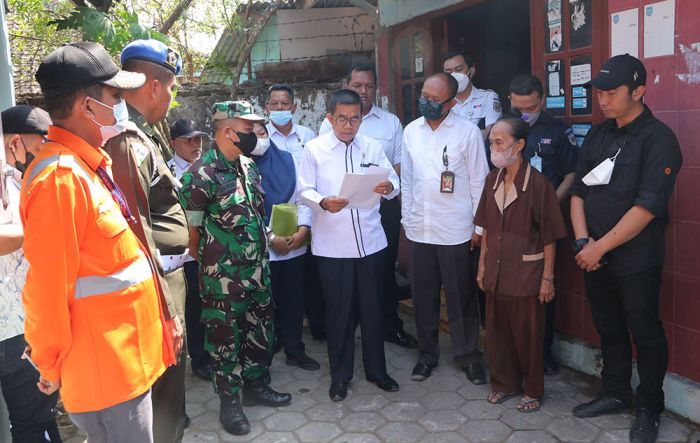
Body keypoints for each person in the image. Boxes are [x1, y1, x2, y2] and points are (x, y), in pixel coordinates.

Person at [23, 41, 175, 442]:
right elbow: (46, 289)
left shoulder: (85, 168)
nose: (123, 105)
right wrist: (49, 364)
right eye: (115, 96)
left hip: (123, 364)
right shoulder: (60, 180)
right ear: (87, 107)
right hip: (106, 377)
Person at [569, 54, 682, 443]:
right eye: (599, 92)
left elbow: (647, 207)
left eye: (612, 92)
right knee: (609, 327)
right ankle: (615, 392)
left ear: (638, 90)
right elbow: (579, 192)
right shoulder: (599, 135)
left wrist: (598, 248)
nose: (603, 100)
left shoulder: (659, 139)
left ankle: (649, 407)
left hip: (636, 259)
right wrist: (584, 242)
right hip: (594, 257)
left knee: (645, 332)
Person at [179, 101, 291, 436]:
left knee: (260, 333)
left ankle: (255, 385)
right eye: (249, 128)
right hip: (223, 282)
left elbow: (256, 215)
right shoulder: (200, 176)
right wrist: (217, 271)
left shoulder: (249, 167)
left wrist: (268, 239)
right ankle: (230, 403)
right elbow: (192, 236)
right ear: (229, 131)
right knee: (225, 342)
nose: (255, 134)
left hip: (259, 273)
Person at [102, 39, 189, 443]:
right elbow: (135, 234)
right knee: (163, 408)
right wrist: (168, 313)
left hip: (164, 289)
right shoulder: (124, 142)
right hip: (156, 297)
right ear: (154, 86)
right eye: (171, 88)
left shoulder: (143, 133)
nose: (171, 99)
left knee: (170, 404)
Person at [299, 89, 400, 402]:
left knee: (373, 310)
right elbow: (303, 192)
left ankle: (377, 371)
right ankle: (340, 377)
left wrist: (388, 187)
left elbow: (394, 184)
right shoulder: (314, 149)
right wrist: (324, 202)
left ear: (361, 119)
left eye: (354, 119)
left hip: (371, 244)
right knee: (339, 314)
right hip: (333, 248)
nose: (348, 125)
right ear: (329, 118)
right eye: (341, 119)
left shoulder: (371, 145)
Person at [319, 64, 417, 349]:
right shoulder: (331, 122)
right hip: (343, 207)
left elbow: (397, 165)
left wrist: (389, 191)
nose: (363, 91)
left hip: (379, 206)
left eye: (368, 86)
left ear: (376, 88)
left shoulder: (390, 122)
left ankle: (388, 325)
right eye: (357, 85)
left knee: (382, 269)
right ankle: (347, 330)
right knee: (348, 272)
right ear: (347, 86)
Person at [401, 72, 489, 385]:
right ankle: (427, 356)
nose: (426, 101)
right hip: (420, 229)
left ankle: (468, 356)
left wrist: (480, 225)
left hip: (456, 229)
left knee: (460, 296)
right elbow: (407, 180)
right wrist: (406, 219)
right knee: (422, 296)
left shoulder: (467, 133)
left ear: (451, 103)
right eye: (424, 94)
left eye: (435, 99)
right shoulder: (411, 131)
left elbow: (480, 180)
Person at [475, 116, 567, 413]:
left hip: (527, 273)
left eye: (499, 142)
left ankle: (532, 389)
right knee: (498, 332)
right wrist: (482, 266)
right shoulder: (492, 180)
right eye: (491, 142)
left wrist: (548, 278)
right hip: (497, 272)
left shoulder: (538, 184)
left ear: (520, 145)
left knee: (528, 335)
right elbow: (487, 227)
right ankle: (504, 384)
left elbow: (550, 236)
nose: (494, 148)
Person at [509, 74, 580, 374]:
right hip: (510, 222)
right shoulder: (504, 128)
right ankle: (512, 349)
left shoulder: (558, 130)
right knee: (511, 286)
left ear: (541, 99)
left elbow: (572, 174)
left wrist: (550, 205)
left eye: (532, 107)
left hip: (545, 223)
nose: (526, 113)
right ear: (510, 101)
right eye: (519, 107)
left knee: (544, 287)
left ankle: (543, 349)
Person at [0, 105, 62, 443]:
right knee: (33, 419)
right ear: (13, 143)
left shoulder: (16, 179)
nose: (40, 157)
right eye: (37, 148)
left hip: (20, 322)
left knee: (37, 415)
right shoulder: (4, 179)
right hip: (13, 329)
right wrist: (40, 225)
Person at [251, 122, 319, 371]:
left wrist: (303, 230)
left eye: (262, 134)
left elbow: (304, 196)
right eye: (253, 135)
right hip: (259, 247)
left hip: (292, 244)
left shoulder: (288, 160)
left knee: (292, 300)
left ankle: (294, 350)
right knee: (263, 304)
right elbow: (245, 209)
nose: (259, 139)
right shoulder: (241, 167)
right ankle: (262, 356)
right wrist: (270, 237)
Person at [265, 83, 326, 343]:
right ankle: (279, 336)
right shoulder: (261, 140)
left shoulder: (308, 136)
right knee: (276, 284)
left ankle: (316, 330)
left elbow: (316, 180)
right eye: (275, 104)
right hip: (271, 218)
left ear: (295, 106)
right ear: (267, 108)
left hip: (306, 216)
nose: (280, 108)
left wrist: (305, 227)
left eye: (285, 104)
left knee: (307, 281)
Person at [167, 118, 213, 381]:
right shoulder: (167, 172)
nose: (196, 145)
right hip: (184, 250)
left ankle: (215, 352)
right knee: (193, 304)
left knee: (211, 300)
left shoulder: (210, 168)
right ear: (174, 143)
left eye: (199, 139)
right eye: (189, 140)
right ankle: (198, 357)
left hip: (212, 246)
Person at [443, 50, 502, 139]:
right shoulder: (442, 103)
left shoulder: (488, 98)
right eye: (449, 72)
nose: (454, 75)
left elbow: (491, 134)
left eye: (459, 70)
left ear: (472, 70)